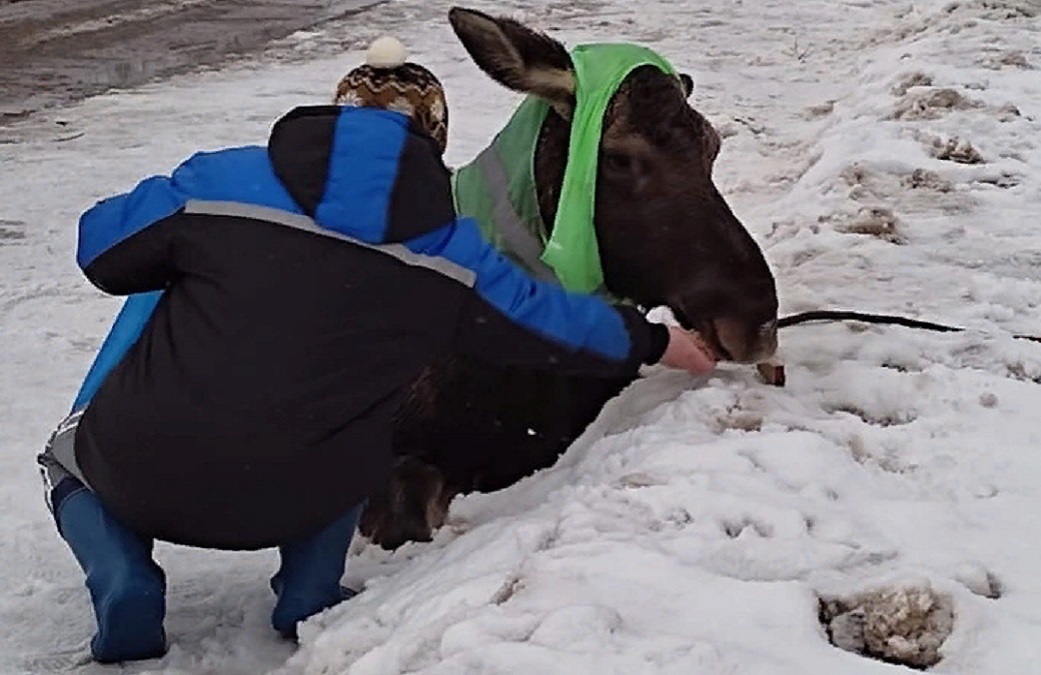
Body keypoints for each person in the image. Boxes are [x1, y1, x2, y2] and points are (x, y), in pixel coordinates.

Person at [36, 37, 716, 664]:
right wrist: (658, 341)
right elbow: (552, 324)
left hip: (146, 472)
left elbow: (101, 247)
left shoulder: (220, 182)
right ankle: (308, 590)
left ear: (334, 116)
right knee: (356, 429)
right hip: (302, 495)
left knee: (63, 458)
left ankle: (121, 572)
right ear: (434, 139)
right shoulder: (450, 251)